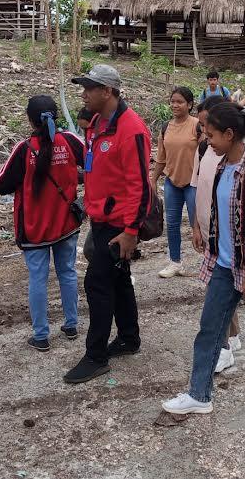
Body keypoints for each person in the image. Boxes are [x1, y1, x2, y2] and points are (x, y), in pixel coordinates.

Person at [161, 103, 245, 415]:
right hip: (224, 265)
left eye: (211, 135)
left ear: (230, 134)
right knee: (210, 329)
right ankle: (199, 394)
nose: (206, 140)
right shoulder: (222, 166)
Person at [64, 65, 151, 384]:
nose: (83, 93)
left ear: (109, 91)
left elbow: (140, 186)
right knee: (119, 280)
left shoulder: (132, 129)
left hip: (118, 225)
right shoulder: (97, 123)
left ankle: (96, 356)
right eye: (83, 86)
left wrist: (131, 232)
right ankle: (129, 338)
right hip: (101, 218)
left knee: (98, 285)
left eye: (90, 87)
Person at [0, 96, 84, 351]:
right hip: (66, 223)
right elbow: (92, 165)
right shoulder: (71, 142)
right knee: (68, 272)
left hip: (35, 228)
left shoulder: (24, 149)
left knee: (38, 279)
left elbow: (1, 185)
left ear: (30, 120)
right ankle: (71, 324)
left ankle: (41, 336)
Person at [190, 96, 240, 372]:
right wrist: (197, 225)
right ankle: (230, 337)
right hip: (210, 232)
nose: (206, 134)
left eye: (209, 127)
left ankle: (225, 345)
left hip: (229, 236)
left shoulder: (234, 157)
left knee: (220, 291)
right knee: (221, 288)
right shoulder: (204, 149)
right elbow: (198, 189)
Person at [151, 87, 200, 278]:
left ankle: (210, 261)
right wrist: (153, 179)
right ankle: (175, 262)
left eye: (179, 102)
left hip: (194, 183)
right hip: (172, 182)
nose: (175, 105)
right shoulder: (166, 127)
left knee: (200, 223)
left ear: (189, 105)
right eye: (172, 101)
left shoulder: (197, 125)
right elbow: (161, 159)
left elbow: (207, 152)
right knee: (172, 224)